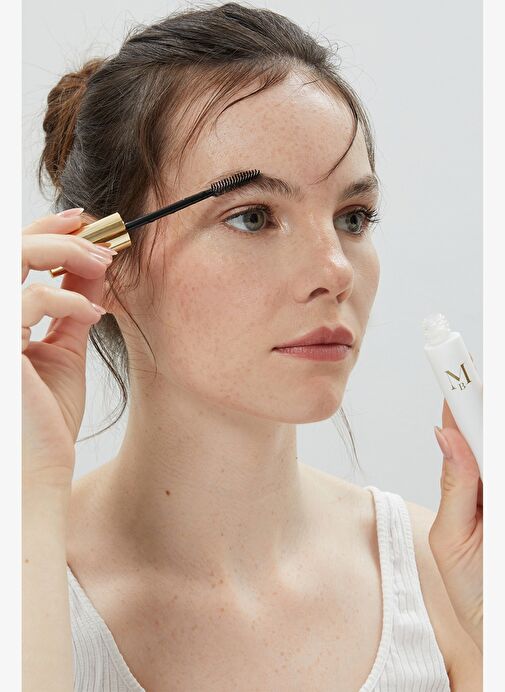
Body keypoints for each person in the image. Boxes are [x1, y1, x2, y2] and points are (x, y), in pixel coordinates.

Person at [22, 3, 482, 690]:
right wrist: (29, 489)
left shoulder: (447, 574)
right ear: (104, 259)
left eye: (353, 216)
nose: (335, 270)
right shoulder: (27, 577)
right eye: (253, 216)